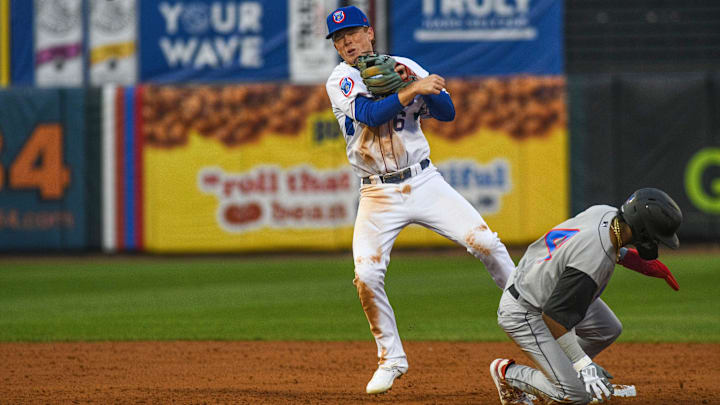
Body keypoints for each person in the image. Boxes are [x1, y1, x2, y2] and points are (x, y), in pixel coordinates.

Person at [324, 6, 517, 395]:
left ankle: (528, 305)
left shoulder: (403, 65)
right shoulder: (341, 79)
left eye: (353, 33)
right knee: (367, 275)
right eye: (339, 38)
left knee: (486, 243)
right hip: (377, 192)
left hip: (424, 180)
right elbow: (369, 113)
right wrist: (410, 89)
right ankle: (391, 359)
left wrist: (418, 79)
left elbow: (446, 112)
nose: (347, 42)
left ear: (370, 32)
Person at [489, 188, 682, 404]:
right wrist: (583, 365)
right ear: (644, 232)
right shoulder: (594, 261)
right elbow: (554, 318)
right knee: (574, 395)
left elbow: (591, 247)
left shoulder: (607, 214)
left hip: (546, 283)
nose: (657, 243)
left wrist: (641, 264)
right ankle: (508, 373)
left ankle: (562, 374)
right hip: (526, 311)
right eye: (656, 238)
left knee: (607, 328)